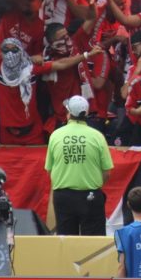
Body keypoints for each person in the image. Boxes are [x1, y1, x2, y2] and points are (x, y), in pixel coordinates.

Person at [46, 94, 113, 235]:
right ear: (86, 113)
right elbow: (107, 172)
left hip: (63, 196)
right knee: (94, 244)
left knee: (67, 243)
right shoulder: (97, 136)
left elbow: (50, 170)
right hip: (91, 195)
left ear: (69, 113)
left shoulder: (55, 135)